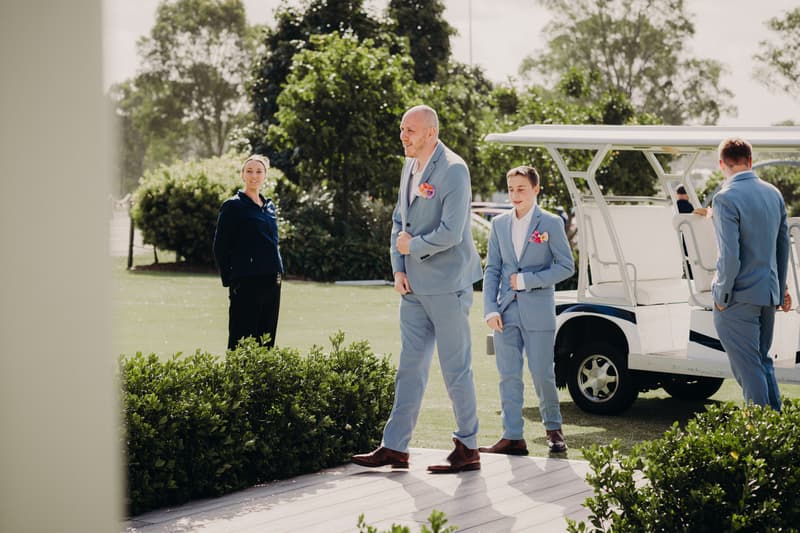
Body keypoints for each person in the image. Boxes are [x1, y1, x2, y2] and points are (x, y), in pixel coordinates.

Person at [351, 105, 483, 473]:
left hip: (447, 285)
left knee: (456, 368)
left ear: (431, 133)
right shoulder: (409, 166)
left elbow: (452, 233)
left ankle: (468, 447)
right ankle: (394, 447)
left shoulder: (455, 170)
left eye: (410, 130)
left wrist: (414, 247)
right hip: (411, 286)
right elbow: (399, 220)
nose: (403, 135)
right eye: (401, 129)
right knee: (409, 366)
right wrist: (398, 267)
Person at [479, 166, 574, 455]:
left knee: (542, 373)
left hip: (538, 312)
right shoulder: (499, 224)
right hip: (505, 312)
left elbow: (566, 267)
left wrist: (527, 280)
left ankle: (554, 430)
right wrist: (490, 309)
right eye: (510, 189)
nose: (515, 195)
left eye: (521, 189)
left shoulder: (551, 223)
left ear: (536, 189)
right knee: (508, 375)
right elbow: (493, 269)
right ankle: (512, 436)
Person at [711, 137, 792, 411]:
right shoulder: (773, 193)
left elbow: (729, 256)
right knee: (761, 361)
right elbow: (782, 247)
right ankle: (778, 431)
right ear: (750, 160)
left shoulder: (724, 198)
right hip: (768, 292)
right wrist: (782, 290)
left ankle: (759, 438)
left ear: (722, 163)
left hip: (737, 296)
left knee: (748, 368)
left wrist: (721, 294)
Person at [212, 154, 284, 351]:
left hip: (272, 280)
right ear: (242, 175)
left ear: (265, 175)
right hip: (246, 281)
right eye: (249, 171)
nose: (254, 175)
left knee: (266, 338)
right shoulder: (233, 206)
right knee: (241, 338)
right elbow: (220, 246)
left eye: (259, 171)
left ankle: (262, 381)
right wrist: (231, 280)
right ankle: (236, 381)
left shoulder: (269, 206)